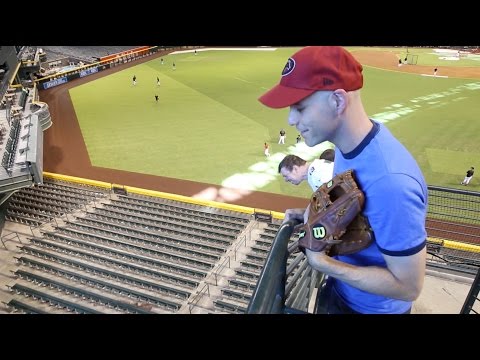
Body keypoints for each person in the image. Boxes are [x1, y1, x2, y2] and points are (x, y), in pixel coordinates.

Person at [258, 46, 428, 314]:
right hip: (341, 292)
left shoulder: (392, 183)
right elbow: (359, 214)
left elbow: (409, 287)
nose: (291, 119)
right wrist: (308, 215)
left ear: (338, 101)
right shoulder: (349, 145)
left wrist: (323, 263)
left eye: (300, 107)